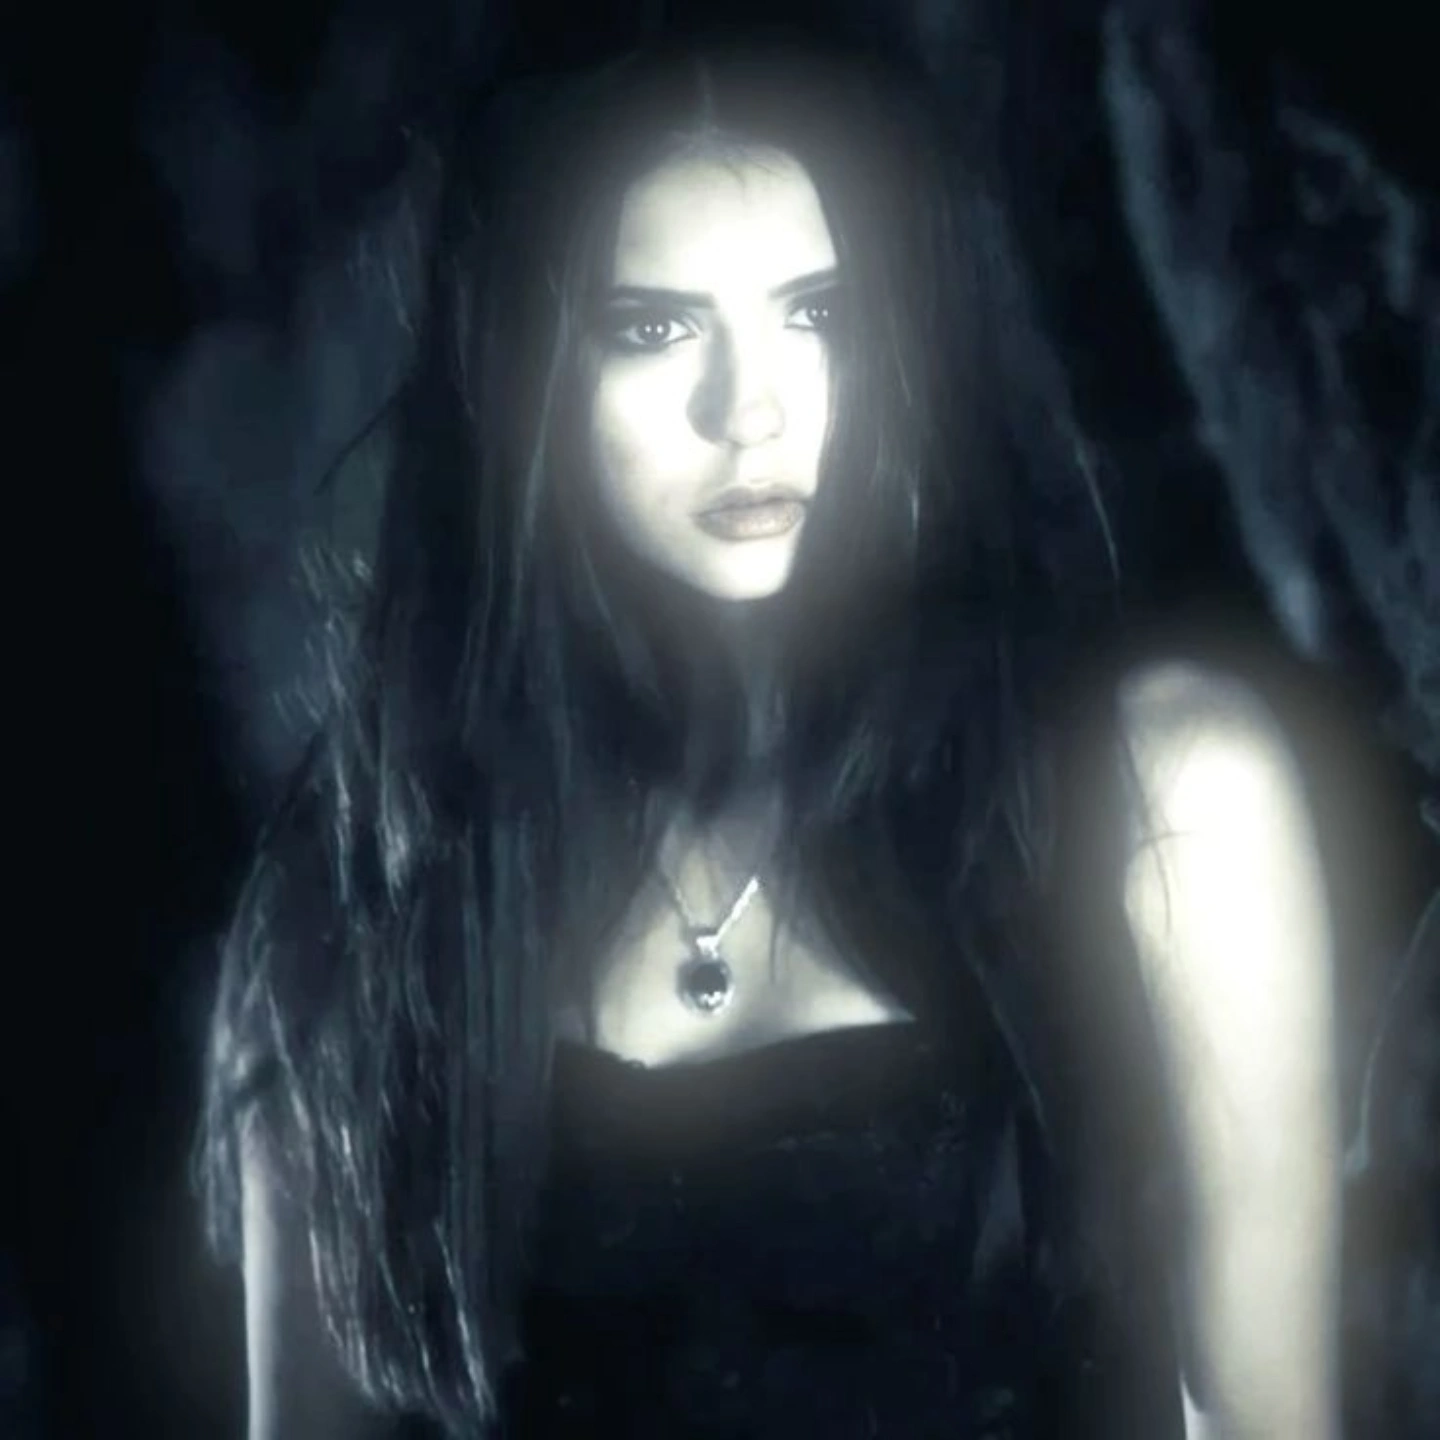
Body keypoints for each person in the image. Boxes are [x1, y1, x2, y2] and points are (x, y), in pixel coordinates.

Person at [195, 22, 1345, 1439]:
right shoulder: (361, 889)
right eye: (655, 328)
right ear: (519, 378)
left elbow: (1275, 1419)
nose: (751, 411)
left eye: (818, 314)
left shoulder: (1163, 791)